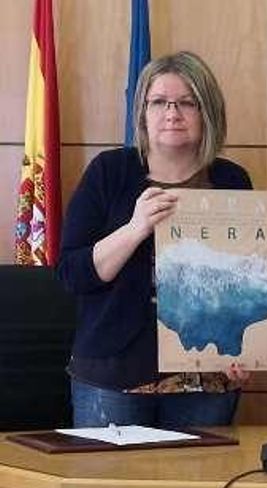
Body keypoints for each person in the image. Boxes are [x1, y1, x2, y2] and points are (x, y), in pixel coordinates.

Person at [57, 51, 252, 428]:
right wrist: (135, 228)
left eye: (186, 102)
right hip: (115, 376)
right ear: (143, 112)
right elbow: (72, 274)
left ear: (207, 112)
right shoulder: (109, 173)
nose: (172, 113)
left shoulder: (232, 181)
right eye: (159, 101)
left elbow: (243, 282)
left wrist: (248, 351)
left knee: (198, 486)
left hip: (205, 378)